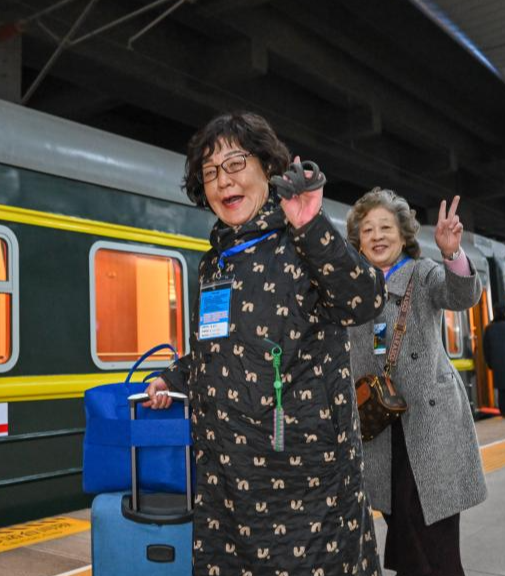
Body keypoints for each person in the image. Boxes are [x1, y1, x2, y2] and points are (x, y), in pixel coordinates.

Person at [145, 111, 385, 576]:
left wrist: (314, 227)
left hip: (305, 478)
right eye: (210, 172)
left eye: (235, 164)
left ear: (267, 170)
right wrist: (171, 377)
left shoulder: (301, 238)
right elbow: (220, 349)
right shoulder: (215, 262)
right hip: (227, 478)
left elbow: (365, 301)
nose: (222, 181)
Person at [345, 187, 487, 576]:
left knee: (431, 531)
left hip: (428, 423)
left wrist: (452, 254)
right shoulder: (356, 288)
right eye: (368, 229)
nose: (377, 236)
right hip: (380, 426)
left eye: (386, 227)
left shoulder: (422, 274)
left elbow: (460, 295)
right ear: (357, 240)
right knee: (404, 527)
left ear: (404, 235)